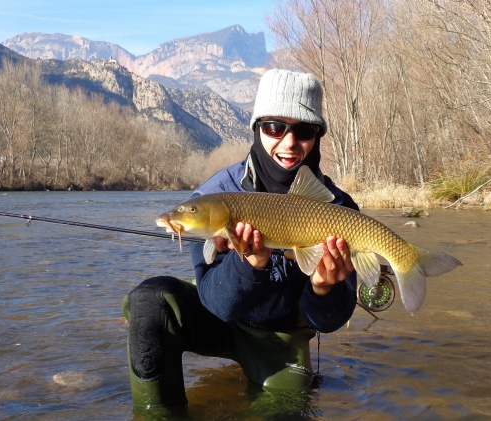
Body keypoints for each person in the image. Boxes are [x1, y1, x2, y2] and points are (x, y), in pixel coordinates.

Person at [122, 69, 360, 413]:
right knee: (150, 301)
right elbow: (219, 304)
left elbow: (329, 321)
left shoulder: (337, 209)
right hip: (218, 319)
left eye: (304, 130)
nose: (289, 143)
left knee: (286, 411)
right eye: (275, 127)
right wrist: (250, 264)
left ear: (317, 136)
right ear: (257, 128)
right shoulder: (213, 198)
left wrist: (324, 289)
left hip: (282, 336)